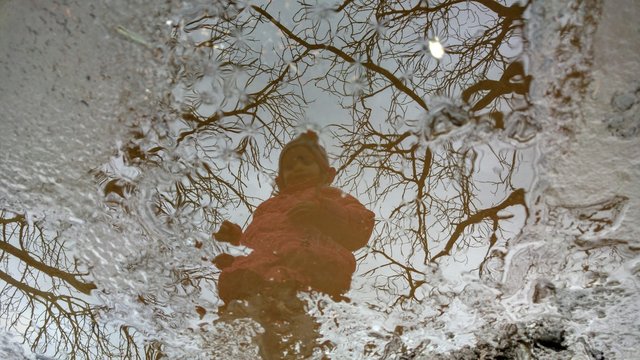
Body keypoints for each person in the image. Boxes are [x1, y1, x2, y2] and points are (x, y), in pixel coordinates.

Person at [212, 130, 375, 358]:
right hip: (258, 282)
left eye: (305, 161)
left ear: (327, 173)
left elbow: (361, 226)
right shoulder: (267, 208)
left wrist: (323, 213)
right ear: (280, 180)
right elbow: (261, 241)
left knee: (302, 338)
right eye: (288, 166)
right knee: (241, 333)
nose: (296, 168)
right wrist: (236, 245)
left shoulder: (330, 196)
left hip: (307, 279)